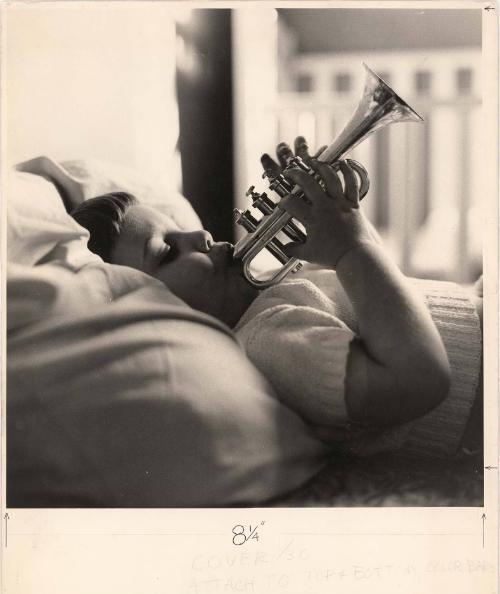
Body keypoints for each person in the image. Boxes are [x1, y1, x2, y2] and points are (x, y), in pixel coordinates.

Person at [70, 143, 475, 459]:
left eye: (178, 227)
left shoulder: (269, 303)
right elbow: (421, 381)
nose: (198, 237)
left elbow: (383, 309)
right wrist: (355, 247)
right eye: (166, 252)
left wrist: (342, 217)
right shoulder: (270, 342)